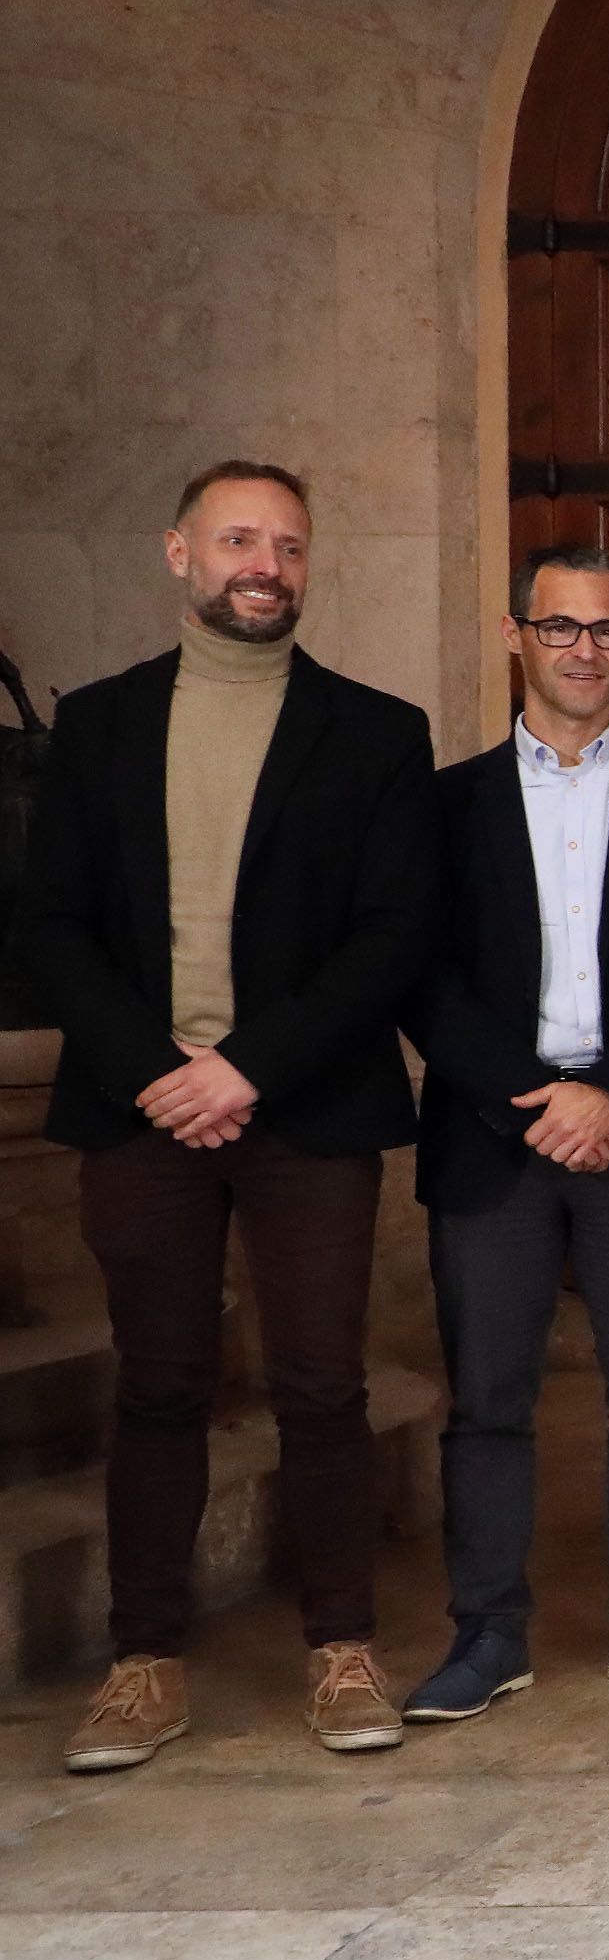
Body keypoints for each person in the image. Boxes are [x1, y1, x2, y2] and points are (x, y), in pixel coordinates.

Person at [25, 462, 438, 1771]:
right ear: (180, 554)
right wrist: (158, 1066)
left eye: (289, 544)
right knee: (161, 1387)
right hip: (140, 1106)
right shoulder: (92, 727)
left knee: (320, 1384)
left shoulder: (377, 733)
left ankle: (343, 1651)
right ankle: (145, 1667)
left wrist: (245, 1065)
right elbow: (52, 925)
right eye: (240, 540)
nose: (266, 562)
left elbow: (391, 937)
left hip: (304, 1110)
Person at [402, 542, 609, 1724]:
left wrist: (607, 1094)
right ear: (517, 636)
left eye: (606, 630)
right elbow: (422, 977)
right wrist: (530, 1101)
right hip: (496, 1139)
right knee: (488, 1399)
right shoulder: (445, 803)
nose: (584, 651)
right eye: (561, 628)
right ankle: (486, 1635)